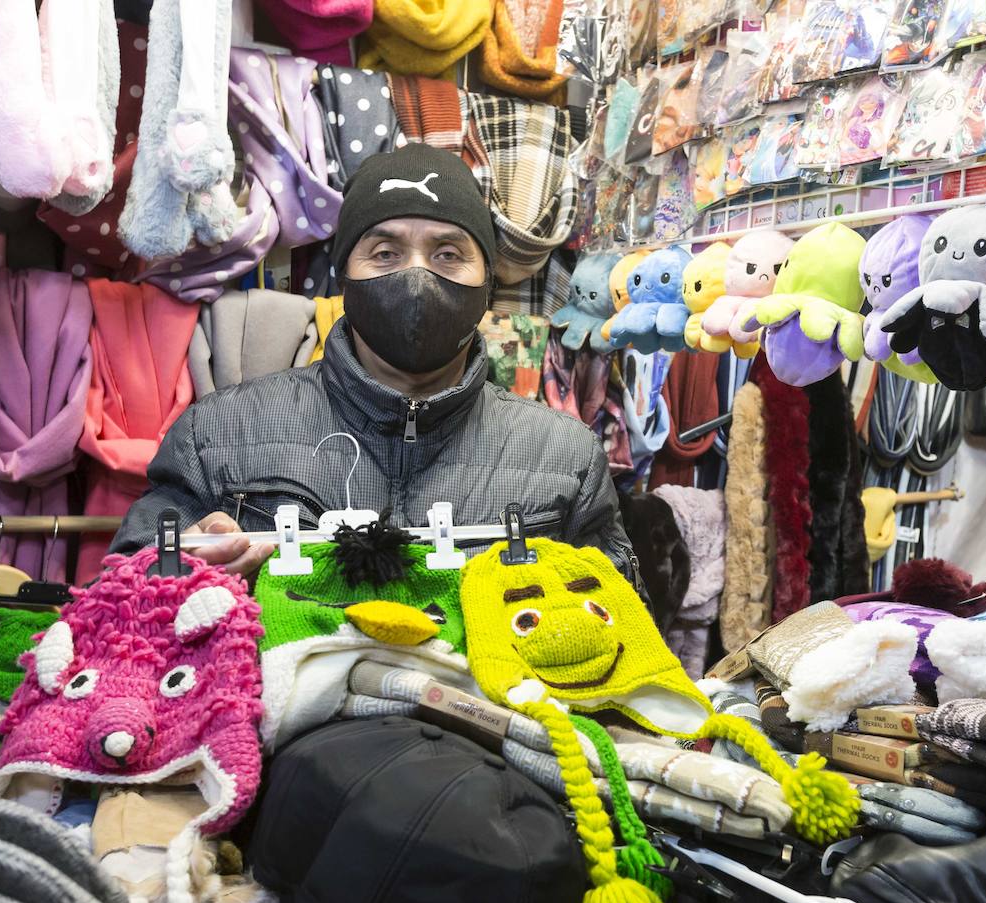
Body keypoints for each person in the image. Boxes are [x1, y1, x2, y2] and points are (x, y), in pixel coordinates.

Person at [111, 144, 639, 584]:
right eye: (385, 253)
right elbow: (111, 615)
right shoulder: (218, 433)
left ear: (487, 286)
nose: (417, 277)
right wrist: (175, 578)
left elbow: (624, 637)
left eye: (448, 254)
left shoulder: (564, 457)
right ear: (344, 277)